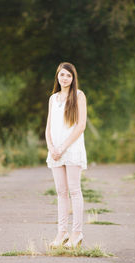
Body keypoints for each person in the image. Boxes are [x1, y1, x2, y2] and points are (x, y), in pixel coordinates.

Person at [45, 62, 87, 249]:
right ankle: (62, 233)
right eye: (62, 75)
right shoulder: (53, 98)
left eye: (68, 76)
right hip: (55, 152)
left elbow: (81, 125)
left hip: (71, 150)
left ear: (73, 78)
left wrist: (62, 148)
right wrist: (52, 147)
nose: (65, 78)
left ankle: (76, 234)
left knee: (74, 191)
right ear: (57, 76)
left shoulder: (79, 96)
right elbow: (48, 127)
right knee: (61, 193)